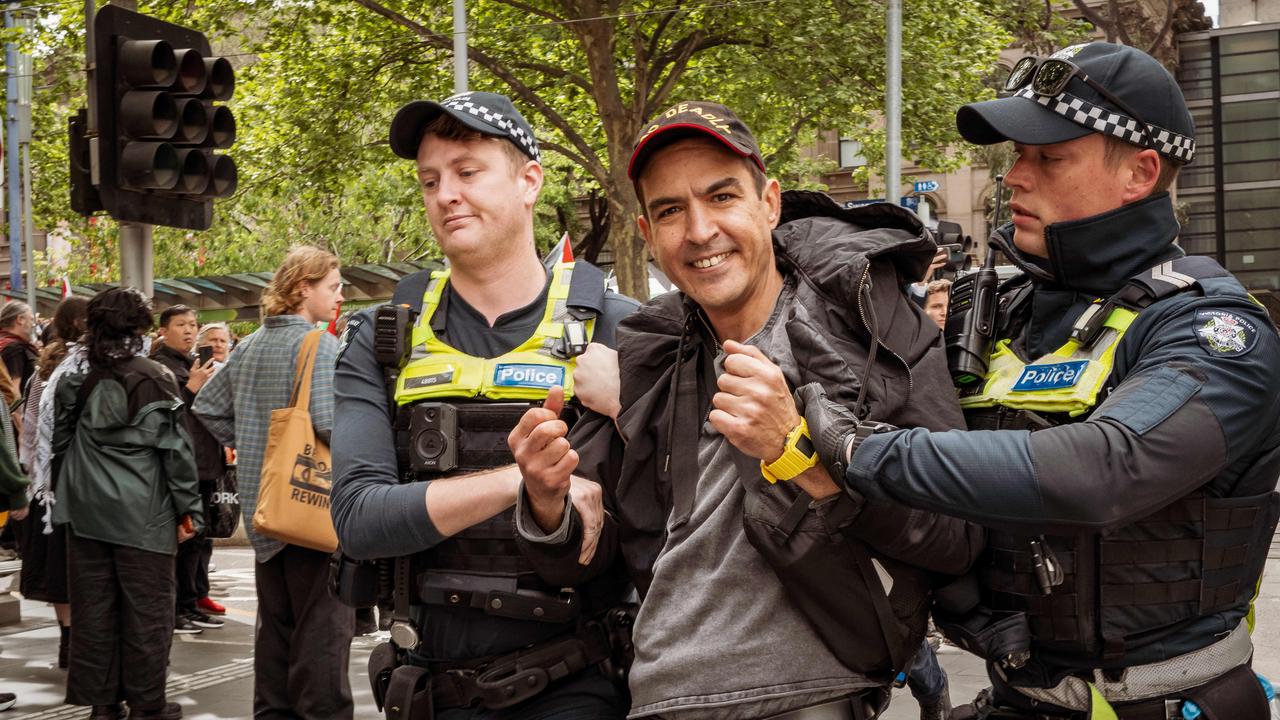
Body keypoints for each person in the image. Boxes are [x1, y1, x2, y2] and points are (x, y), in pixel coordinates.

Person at [799, 42, 1280, 719]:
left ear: (1140, 173)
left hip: (1169, 705)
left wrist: (859, 453)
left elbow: (1104, 472)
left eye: (1048, 157)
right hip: (1014, 700)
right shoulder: (992, 308)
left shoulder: (1214, 331)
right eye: (1016, 155)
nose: (1015, 178)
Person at [510, 101, 982, 719]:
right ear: (648, 236)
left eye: (722, 196)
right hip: (655, 698)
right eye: (670, 210)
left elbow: (956, 534)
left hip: (804, 696)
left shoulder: (870, 319)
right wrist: (546, 499)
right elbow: (583, 557)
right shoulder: (648, 348)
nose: (700, 230)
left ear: (770, 203)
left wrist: (796, 451)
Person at [328, 91, 638, 719]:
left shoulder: (621, 330)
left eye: (468, 172)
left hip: (576, 685)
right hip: (427, 689)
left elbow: (693, 494)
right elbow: (360, 518)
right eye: (430, 180)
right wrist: (517, 482)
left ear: (529, 182)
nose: (446, 194)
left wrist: (631, 406)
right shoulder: (381, 339)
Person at [193, 246, 352, 720]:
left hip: (266, 509)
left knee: (275, 634)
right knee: (322, 635)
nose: (340, 296)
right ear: (304, 288)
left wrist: (250, 442)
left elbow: (206, 406)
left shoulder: (250, 344)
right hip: (312, 507)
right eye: (333, 286)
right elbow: (327, 422)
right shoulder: (318, 343)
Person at [52, 288, 202, 720]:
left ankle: (102, 705)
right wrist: (188, 511)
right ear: (139, 328)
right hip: (144, 515)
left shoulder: (74, 380)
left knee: (94, 611)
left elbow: (60, 446)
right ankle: (147, 704)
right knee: (148, 612)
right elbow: (177, 454)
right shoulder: (155, 377)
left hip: (84, 513)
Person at [16, 295, 88, 669]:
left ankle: (68, 641)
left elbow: (29, 431)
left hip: (47, 484)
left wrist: (29, 480)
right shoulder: (91, 366)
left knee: (59, 565)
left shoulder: (42, 370)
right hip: (83, 481)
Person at [150, 305, 222, 635]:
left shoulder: (194, 364)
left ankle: (191, 602)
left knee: (198, 538)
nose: (189, 330)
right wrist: (190, 387)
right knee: (183, 537)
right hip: (182, 465)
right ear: (163, 330)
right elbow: (164, 416)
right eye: (181, 324)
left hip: (205, 460)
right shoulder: (158, 367)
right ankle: (175, 607)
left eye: (193, 324)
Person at [190, 321, 232, 616]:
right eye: (212, 340)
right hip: (193, 463)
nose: (218, 345)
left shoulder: (229, 372)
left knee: (205, 535)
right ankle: (189, 596)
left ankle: (199, 591)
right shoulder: (193, 371)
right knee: (193, 535)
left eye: (222, 341)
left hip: (216, 462)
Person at [0, 301, 38, 397]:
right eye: (31, 320)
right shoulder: (14, 348)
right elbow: (13, 389)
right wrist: (18, 412)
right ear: (20, 319)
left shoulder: (4, 343)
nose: (33, 324)